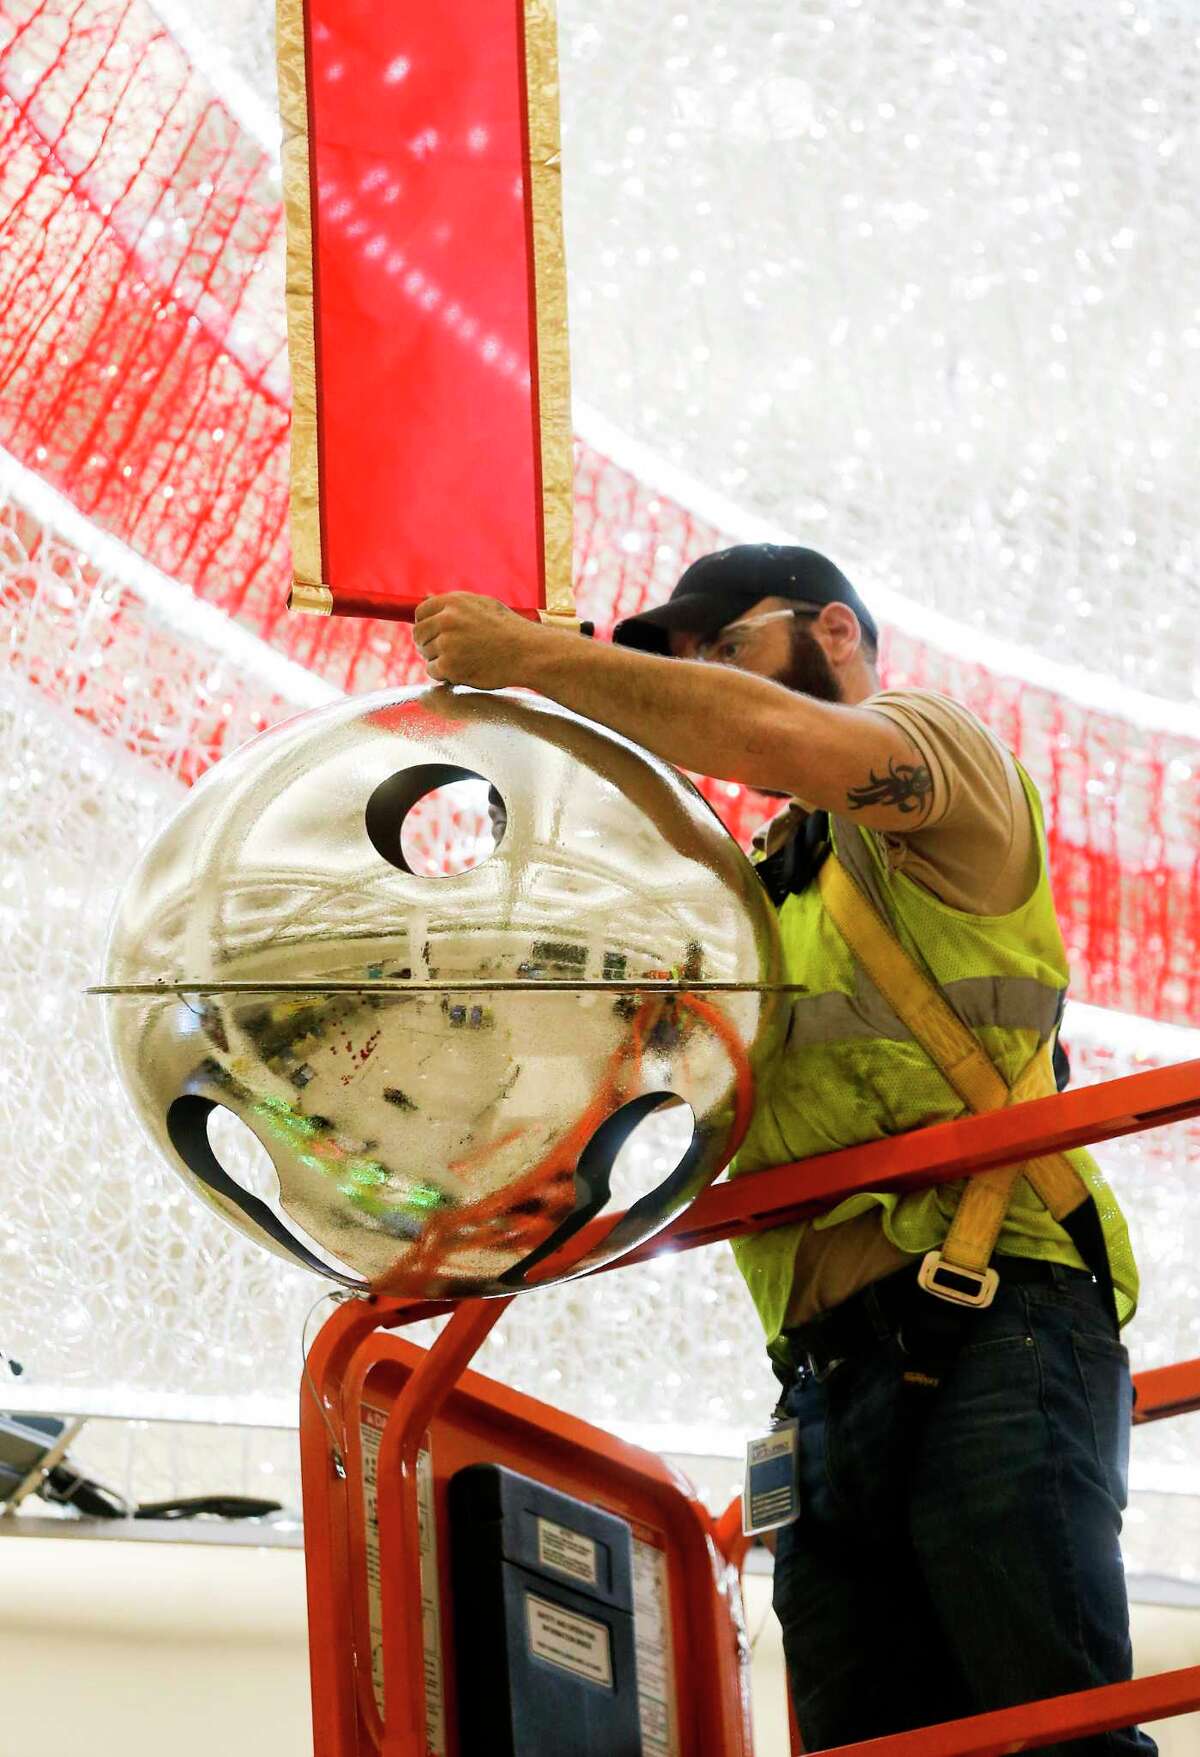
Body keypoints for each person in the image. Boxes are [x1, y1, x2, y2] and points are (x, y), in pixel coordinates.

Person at [413, 544, 1153, 1754]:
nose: (703, 679)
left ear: (838, 634)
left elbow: (768, 737)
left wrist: (537, 662)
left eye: (726, 643)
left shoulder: (940, 765)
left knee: (1057, 1735)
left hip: (1001, 1317)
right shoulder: (745, 903)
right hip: (821, 1383)